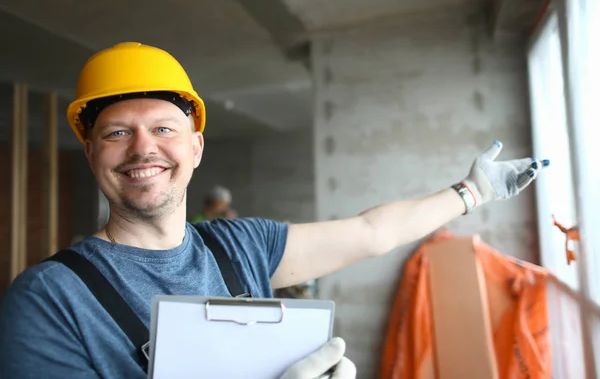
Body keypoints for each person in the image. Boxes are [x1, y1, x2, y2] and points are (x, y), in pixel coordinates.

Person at [0, 42, 549, 379]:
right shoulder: (50, 299)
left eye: (164, 129)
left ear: (195, 148)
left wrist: (470, 193)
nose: (143, 148)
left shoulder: (241, 246)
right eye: (117, 133)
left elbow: (371, 231)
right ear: (93, 153)